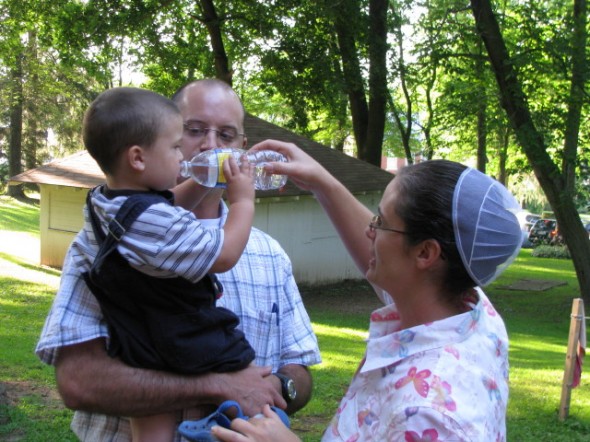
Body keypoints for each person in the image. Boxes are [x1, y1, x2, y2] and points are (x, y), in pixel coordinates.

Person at [35, 82, 321, 441]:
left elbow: (301, 369)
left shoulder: (271, 255)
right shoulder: (97, 249)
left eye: (226, 135)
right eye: (193, 131)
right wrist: (220, 385)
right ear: (157, 137)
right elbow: (78, 383)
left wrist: (277, 388)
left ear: (242, 148)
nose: (211, 145)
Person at [211, 141, 522, 441]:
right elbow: (384, 253)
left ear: (426, 254)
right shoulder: (473, 313)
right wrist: (322, 182)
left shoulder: (428, 414)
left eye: (381, 221)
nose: (368, 229)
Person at [65, 86, 259, 441]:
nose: (183, 156)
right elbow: (225, 254)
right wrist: (243, 200)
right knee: (237, 355)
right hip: (174, 331)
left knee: (151, 420)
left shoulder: (108, 202)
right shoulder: (155, 221)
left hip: (137, 340)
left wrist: (200, 180)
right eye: (175, 146)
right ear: (138, 158)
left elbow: (168, 208)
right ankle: (225, 420)